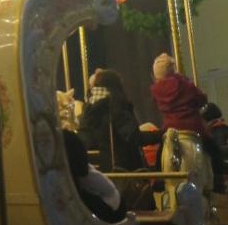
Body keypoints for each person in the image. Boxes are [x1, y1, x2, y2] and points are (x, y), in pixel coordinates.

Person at [152, 53, 224, 181]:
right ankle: (219, 180)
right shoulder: (184, 84)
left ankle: (158, 181)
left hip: (170, 128)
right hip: (192, 126)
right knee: (214, 151)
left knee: (160, 154)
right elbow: (201, 99)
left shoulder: (156, 90)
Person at [78, 69, 147, 172]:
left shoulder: (89, 110)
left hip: (102, 170)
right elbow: (133, 136)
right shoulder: (117, 107)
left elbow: (85, 140)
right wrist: (160, 135)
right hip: (125, 169)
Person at [63, 128, 125, 223]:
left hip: (110, 206)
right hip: (113, 204)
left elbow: (107, 189)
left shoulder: (78, 174)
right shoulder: (81, 171)